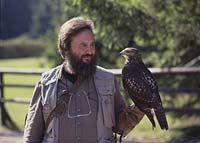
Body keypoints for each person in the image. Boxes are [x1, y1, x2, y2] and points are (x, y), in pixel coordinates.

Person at [23, 17, 144, 143]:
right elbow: (32, 133)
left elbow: (120, 127)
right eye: (83, 45)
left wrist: (141, 106)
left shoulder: (108, 80)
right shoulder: (46, 84)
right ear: (65, 47)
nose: (90, 51)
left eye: (92, 45)